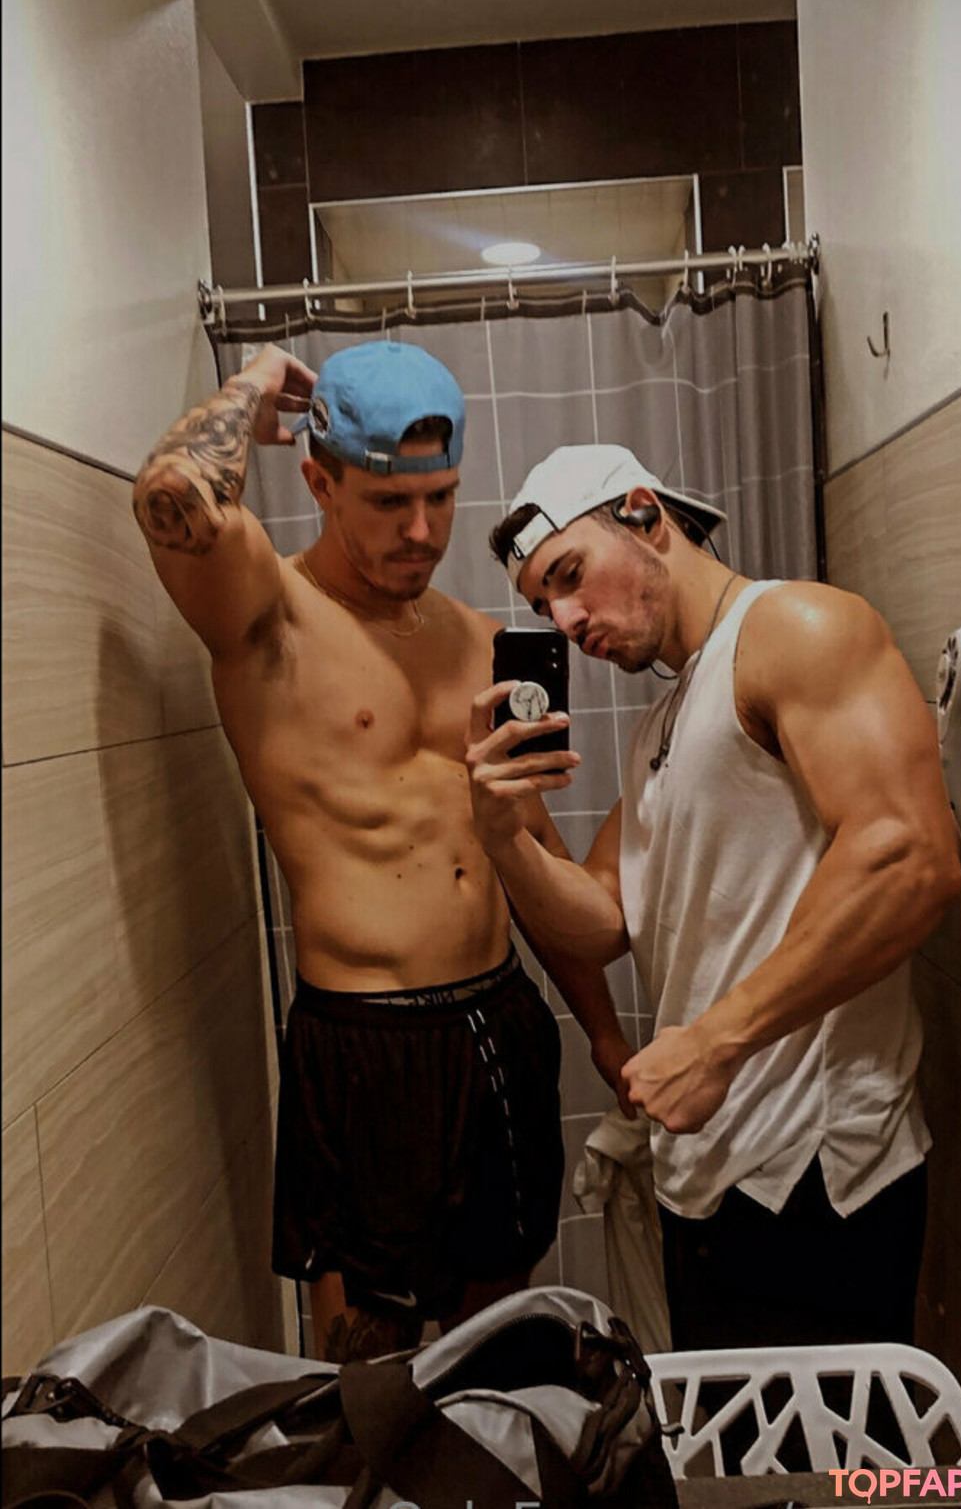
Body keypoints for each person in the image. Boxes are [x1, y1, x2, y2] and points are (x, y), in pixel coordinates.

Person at [132, 346, 633, 1362]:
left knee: (498, 1354)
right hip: (365, 1046)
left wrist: (606, 1036)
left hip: (499, 1021)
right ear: (319, 483)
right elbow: (171, 494)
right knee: (368, 1385)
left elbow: (534, 861)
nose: (422, 531)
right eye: (389, 501)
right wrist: (254, 385)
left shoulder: (481, 640)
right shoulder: (265, 617)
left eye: (441, 498)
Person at [465, 443, 961, 1351]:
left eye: (570, 576)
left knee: (830, 1446)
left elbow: (910, 857)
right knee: (724, 1442)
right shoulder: (664, 721)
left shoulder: (794, 627)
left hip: (816, 1177)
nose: (567, 620)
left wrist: (715, 1042)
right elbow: (600, 921)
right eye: (543, 607)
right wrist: (502, 833)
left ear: (643, 512)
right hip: (706, 1171)